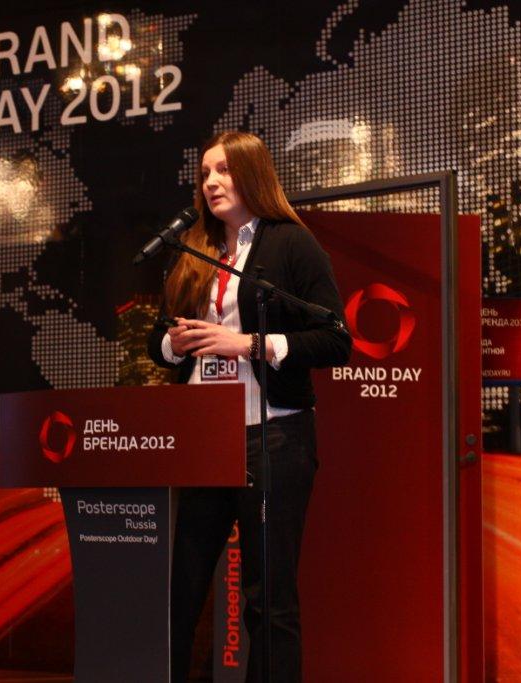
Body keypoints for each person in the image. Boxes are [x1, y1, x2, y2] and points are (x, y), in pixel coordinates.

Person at [148, 131, 351, 682]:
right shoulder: (195, 248)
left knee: (268, 596)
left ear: (253, 175)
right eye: (205, 174)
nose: (211, 183)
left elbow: (336, 340)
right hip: (204, 441)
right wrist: (176, 344)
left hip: (273, 436)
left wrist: (249, 344)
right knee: (183, 587)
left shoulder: (291, 243)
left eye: (224, 171)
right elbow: (156, 342)